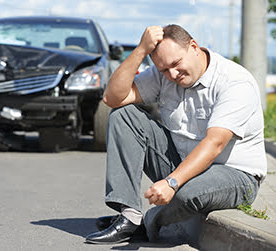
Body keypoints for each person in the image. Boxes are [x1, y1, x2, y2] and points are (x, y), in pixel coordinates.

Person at [85, 24, 267, 245]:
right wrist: (140, 50)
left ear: (194, 47)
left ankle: (146, 223)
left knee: (186, 193)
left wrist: (172, 182)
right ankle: (130, 216)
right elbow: (112, 98)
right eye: (163, 70)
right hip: (183, 163)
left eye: (176, 64)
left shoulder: (234, 81)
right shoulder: (165, 75)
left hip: (236, 176)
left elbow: (214, 143)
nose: (172, 74)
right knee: (124, 114)